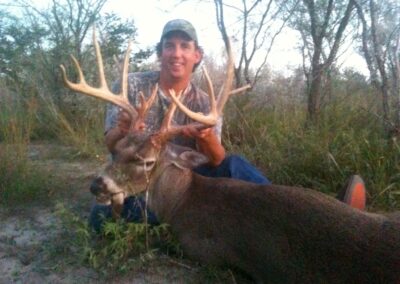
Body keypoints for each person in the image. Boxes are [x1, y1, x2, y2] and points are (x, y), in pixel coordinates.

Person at [89, 19, 366, 231]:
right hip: (141, 179)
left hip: (189, 175)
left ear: (197, 55)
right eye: (169, 46)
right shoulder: (130, 85)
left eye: (185, 46)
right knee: (100, 217)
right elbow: (112, 145)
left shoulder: (205, 102)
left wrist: (206, 136)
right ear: (160, 53)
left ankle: (322, 215)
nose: (176, 53)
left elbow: (216, 158)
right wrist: (123, 132)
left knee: (235, 165)